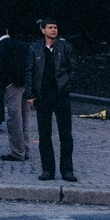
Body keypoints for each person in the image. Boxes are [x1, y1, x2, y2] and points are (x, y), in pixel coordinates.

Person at [25, 17, 78, 183]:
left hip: (61, 94)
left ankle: (67, 170)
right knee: (44, 134)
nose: (53, 30)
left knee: (66, 135)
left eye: (55, 27)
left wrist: (66, 85)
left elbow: (73, 69)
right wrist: (30, 95)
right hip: (43, 95)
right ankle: (48, 169)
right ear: (43, 30)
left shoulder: (65, 47)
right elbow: (30, 71)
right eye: (50, 27)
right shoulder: (35, 49)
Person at [0, 21, 31, 162]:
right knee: (24, 117)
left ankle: (17, 151)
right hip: (24, 84)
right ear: (7, 30)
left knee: (14, 119)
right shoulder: (20, 45)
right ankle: (25, 148)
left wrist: (3, 83)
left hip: (10, 86)